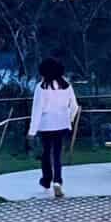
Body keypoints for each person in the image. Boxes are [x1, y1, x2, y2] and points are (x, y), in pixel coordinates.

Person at [27, 57, 79, 198]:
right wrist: (70, 119)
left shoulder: (41, 87)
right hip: (62, 123)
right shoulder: (67, 85)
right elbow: (74, 106)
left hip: (46, 124)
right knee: (57, 154)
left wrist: (32, 131)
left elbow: (37, 110)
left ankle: (46, 180)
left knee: (46, 153)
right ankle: (58, 181)